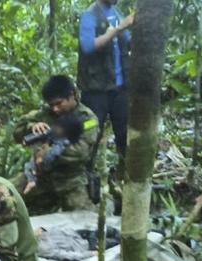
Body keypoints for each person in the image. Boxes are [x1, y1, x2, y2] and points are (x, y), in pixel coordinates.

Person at [14, 75, 99, 214]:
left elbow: (80, 152)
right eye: (51, 104)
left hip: (71, 179)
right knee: (5, 195)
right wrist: (32, 127)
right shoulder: (45, 112)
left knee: (85, 221)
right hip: (41, 176)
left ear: (71, 96)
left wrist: (47, 151)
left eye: (59, 103)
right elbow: (17, 132)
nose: (55, 109)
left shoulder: (87, 118)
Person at [78, 0, 133, 211]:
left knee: (124, 137)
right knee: (91, 137)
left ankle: (123, 187)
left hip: (119, 89)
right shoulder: (89, 15)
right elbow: (88, 46)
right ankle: (86, 190)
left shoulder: (116, 12)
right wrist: (117, 29)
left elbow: (126, 41)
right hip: (96, 90)